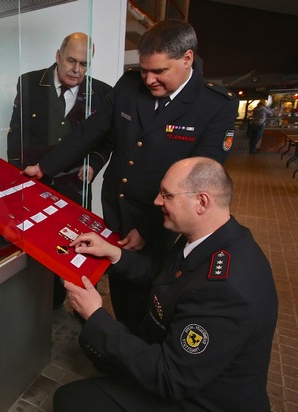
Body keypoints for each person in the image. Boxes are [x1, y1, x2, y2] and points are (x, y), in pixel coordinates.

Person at [23, 19, 239, 325]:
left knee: (148, 292)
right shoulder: (129, 84)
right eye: (145, 69)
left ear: (186, 58)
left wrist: (149, 229)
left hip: (162, 218)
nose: (149, 79)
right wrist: (45, 167)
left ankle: (139, 354)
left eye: (159, 71)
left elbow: (198, 180)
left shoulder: (215, 105)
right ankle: (114, 342)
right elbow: (91, 131)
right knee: (115, 278)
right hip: (116, 206)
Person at [54, 157, 278, 412]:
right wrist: (114, 253)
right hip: (186, 371)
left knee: (70, 401)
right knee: (97, 347)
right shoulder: (215, 236)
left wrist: (95, 314)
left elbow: (170, 377)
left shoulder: (225, 289)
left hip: (204, 404)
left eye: (167, 195)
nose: (157, 202)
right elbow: (165, 275)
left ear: (202, 202)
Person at [7, 32, 113, 209]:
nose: (76, 69)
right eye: (71, 60)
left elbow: (106, 140)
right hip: (33, 179)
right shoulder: (30, 82)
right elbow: (16, 132)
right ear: (58, 56)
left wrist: (94, 164)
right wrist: (15, 174)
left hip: (75, 187)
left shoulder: (103, 93)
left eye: (84, 64)